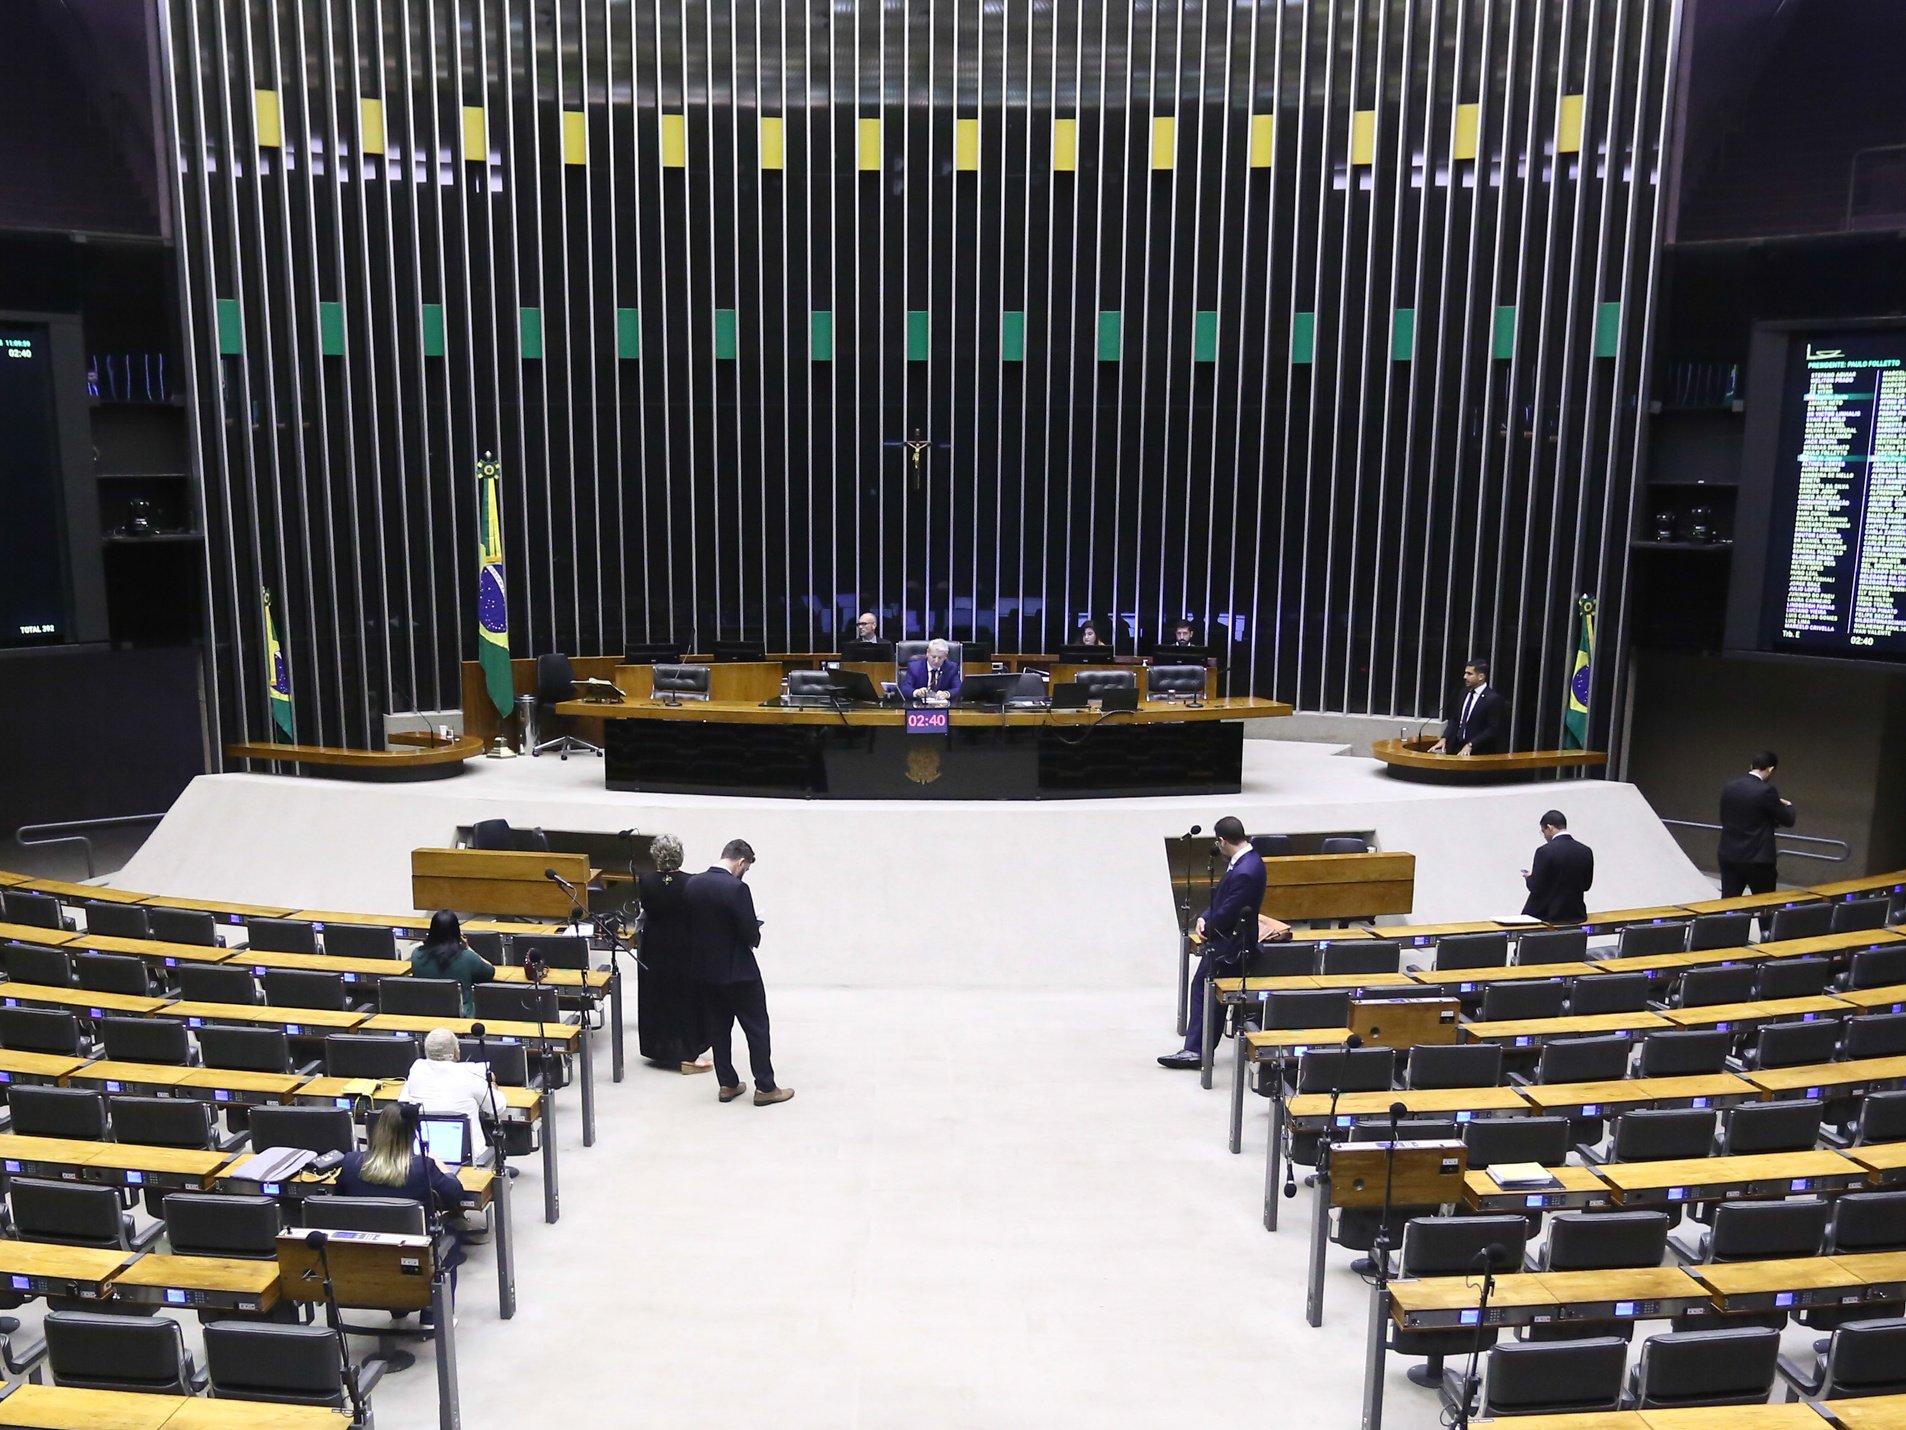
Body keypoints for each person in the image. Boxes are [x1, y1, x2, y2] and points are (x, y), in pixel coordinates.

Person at [684, 839, 792, 1106]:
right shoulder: (736, 889)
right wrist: (755, 928)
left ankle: (727, 1084)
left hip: (705, 971)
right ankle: (765, 1087)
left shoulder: (692, 884)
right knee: (756, 1027)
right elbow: (749, 935)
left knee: (719, 1029)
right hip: (739, 972)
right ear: (741, 862)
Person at [338, 1102, 470, 1319]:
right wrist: (443, 1170)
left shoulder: (351, 1164)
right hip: (414, 1259)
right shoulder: (422, 1168)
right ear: (412, 1134)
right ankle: (433, 1317)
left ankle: (398, 1308)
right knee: (452, 1238)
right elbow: (455, 1195)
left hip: (365, 1255)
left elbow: (341, 1202)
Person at [1159, 816, 1267, 1069]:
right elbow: (1222, 897)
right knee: (1205, 992)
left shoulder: (1246, 870)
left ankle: (1196, 1051)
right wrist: (1205, 916)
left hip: (1231, 945)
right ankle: (1198, 1048)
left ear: (1222, 841)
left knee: (1205, 992)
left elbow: (1231, 909)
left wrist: (1209, 924)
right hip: (1226, 940)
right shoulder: (1244, 862)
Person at [637, 833, 708, 1073]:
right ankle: (686, 1049)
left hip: (654, 945)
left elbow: (647, 908)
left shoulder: (645, 881)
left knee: (657, 995)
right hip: (683, 945)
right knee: (683, 996)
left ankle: (659, 1049)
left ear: (655, 855)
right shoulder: (692, 881)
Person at [401, 1028, 495, 1165]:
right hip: (470, 1160)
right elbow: (497, 1108)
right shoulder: (471, 1074)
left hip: (422, 1157)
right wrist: (492, 1086)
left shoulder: (416, 1069)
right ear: (456, 1052)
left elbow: (403, 1102)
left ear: (426, 1052)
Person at [1718, 751, 1795, 897]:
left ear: (1751, 765)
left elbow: (1724, 817)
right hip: (1758, 859)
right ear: (1770, 769)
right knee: (1764, 906)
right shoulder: (1766, 791)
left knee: (1729, 905)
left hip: (1729, 855)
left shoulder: (1730, 786)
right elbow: (1788, 820)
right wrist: (1789, 806)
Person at [409, 910, 496, 1018]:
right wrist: (468, 947)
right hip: (460, 1017)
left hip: (425, 1015)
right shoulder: (467, 957)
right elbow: (490, 971)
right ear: (457, 933)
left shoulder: (417, 955)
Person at [1520, 810, 1594, 923]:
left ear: (1549, 827)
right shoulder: (1585, 851)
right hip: (1576, 914)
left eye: (1543, 831)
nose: (1544, 835)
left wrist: (1529, 878)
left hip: (1546, 916)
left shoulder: (1544, 852)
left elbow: (1535, 887)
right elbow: (1586, 885)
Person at [1429, 657, 1508, 755]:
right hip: (1456, 747)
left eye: (1469, 674)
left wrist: (1471, 744)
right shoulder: (1463, 693)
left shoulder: (1493, 699)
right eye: (1465, 673)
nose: (1465, 677)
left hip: (1479, 752)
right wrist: (1444, 738)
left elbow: (1493, 729)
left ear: (1481, 677)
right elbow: (1455, 720)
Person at [898, 638, 962, 704]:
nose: (936, 661)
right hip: (918, 707)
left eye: (940, 658)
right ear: (927, 653)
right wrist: (917, 692)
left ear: (945, 656)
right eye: (933, 657)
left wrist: (946, 694)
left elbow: (959, 688)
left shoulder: (951, 668)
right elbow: (905, 688)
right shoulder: (914, 667)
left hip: (943, 707)